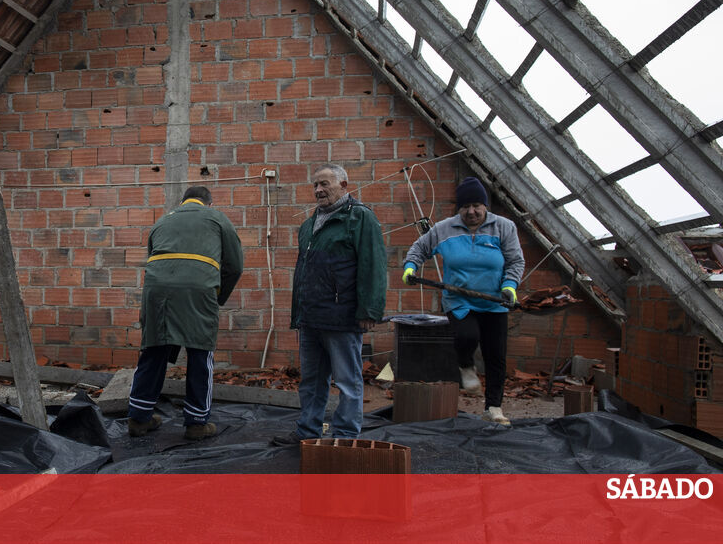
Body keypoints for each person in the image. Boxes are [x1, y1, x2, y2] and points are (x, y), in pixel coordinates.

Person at [272, 164, 387, 445]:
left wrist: (369, 310)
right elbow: (303, 272)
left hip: (342, 316)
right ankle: (307, 431)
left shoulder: (360, 218)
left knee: (347, 380)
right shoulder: (309, 225)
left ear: (344, 185)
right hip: (311, 316)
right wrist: (298, 312)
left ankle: (345, 437)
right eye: (315, 185)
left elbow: (373, 264)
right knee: (311, 381)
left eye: (325, 184)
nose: (318, 190)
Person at [402, 176, 524, 425]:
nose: (471, 212)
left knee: (496, 355)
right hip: (459, 300)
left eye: (476, 205)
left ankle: (493, 408)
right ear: (459, 208)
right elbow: (419, 249)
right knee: (467, 336)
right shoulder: (444, 229)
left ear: (485, 205)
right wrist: (411, 266)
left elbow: (515, 261)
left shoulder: (504, 227)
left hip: (495, 302)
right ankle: (466, 365)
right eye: (465, 206)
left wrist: (510, 286)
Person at [126, 186, 244, 441]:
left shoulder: (163, 220)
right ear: (208, 203)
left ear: (183, 202)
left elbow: (154, 258)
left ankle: (138, 419)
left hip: (156, 292)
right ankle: (196, 423)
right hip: (197, 290)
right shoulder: (217, 218)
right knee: (200, 352)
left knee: (154, 349)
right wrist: (217, 297)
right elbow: (234, 266)